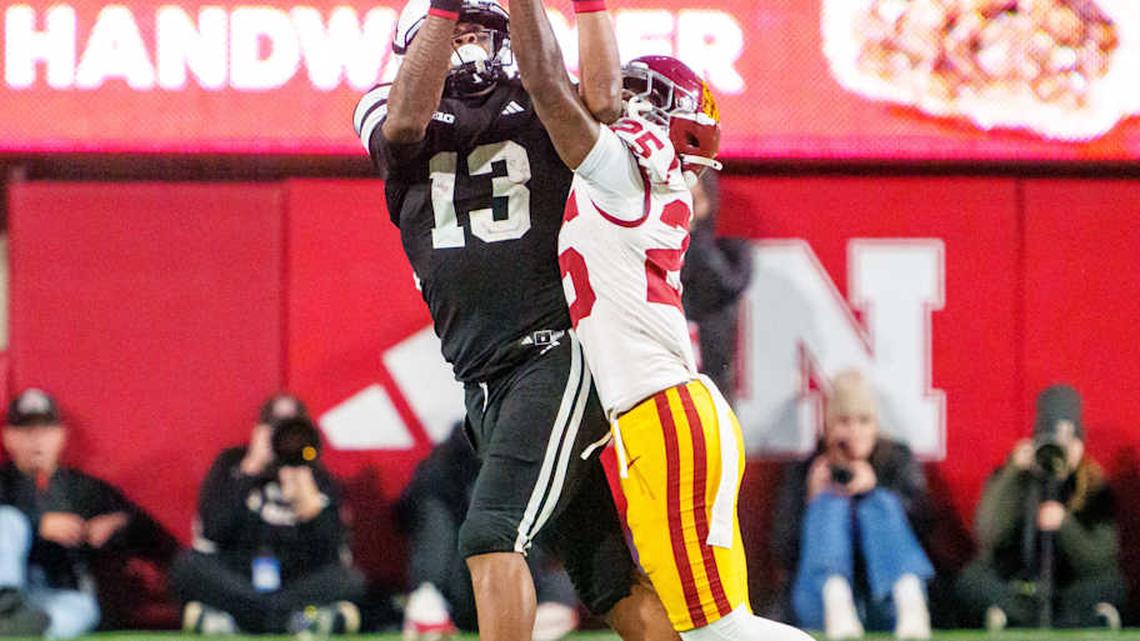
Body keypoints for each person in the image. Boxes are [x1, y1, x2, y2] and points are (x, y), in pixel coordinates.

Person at [353, 1, 677, 640]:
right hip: (484, 377)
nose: (469, 42)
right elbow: (407, 121)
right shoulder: (386, 106)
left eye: (482, 29)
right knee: (605, 576)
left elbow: (599, 103)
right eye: (454, 28)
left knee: (491, 532)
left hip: (554, 354)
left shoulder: (538, 93)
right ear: (417, 42)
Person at [503, 2, 814, 639]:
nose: (610, 100)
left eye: (629, 96)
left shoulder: (626, 177)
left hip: (665, 417)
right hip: (655, 418)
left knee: (719, 633)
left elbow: (545, 81)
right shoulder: (635, 182)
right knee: (700, 629)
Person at [170, 393, 365, 635]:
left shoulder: (318, 477)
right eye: (274, 427)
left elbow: (332, 554)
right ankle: (293, 621)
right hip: (239, 573)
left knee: (352, 579)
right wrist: (251, 469)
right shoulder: (231, 464)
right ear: (258, 430)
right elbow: (212, 530)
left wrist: (309, 504)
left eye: (292, 430)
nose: (283, 438)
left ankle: (240, 621)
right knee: (187, 566)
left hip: (293, 577)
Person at [770, 370, 934, 640]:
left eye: (863, 421)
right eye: (844, 421)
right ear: (829, 425)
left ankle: (910, 597)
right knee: (830, 501)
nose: (854, 431)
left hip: (884, 598)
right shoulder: (808, 468)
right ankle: (837, 599)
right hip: (818, 600)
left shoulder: (896, 461)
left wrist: (877, 486)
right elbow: (781, 551)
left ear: (876, 425)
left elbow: (926, 528)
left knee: (878, 501)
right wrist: (810, 499)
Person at [956, 384, 1125, 631]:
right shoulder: (1015, 476)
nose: (1063, 452)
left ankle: (1049, 619)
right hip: (1018, 586)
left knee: (1110, 585)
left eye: (1071, 443)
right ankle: (1025, 617)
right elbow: (987, 537)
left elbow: (1100, 558)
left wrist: (1065, 525)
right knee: (972, 581)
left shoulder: (1094, 487)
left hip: (1071, 589)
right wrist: (1012, 474)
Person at [398, 423, 580, 640]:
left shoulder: (542, 459)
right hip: (461, 592)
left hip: (529, 593)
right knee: (435, 511)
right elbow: (412, 517)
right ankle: (428, 600)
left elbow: (559, 543)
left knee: (558, 575)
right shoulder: (444, 470)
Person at [0, 388, 139, 638]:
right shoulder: (3, 482)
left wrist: (117, 523)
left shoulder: (85, 488)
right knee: (7, 520)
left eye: (46, 430)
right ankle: (5, 603)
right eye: (26, 431)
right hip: (14, 582)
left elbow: (149, 534)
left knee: (81, 611)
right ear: (8, 437)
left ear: (62, 435)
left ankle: (19, 627)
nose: (36, 440)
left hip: (54, 592)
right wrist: (37, 525)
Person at [680, 171, 753, 407]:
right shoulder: (648, 256)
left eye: (694, 202)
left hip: (716, 396)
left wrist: (693, 238)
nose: (688, 213)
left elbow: (722, 284)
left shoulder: (732, 254)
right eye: (682, 201)